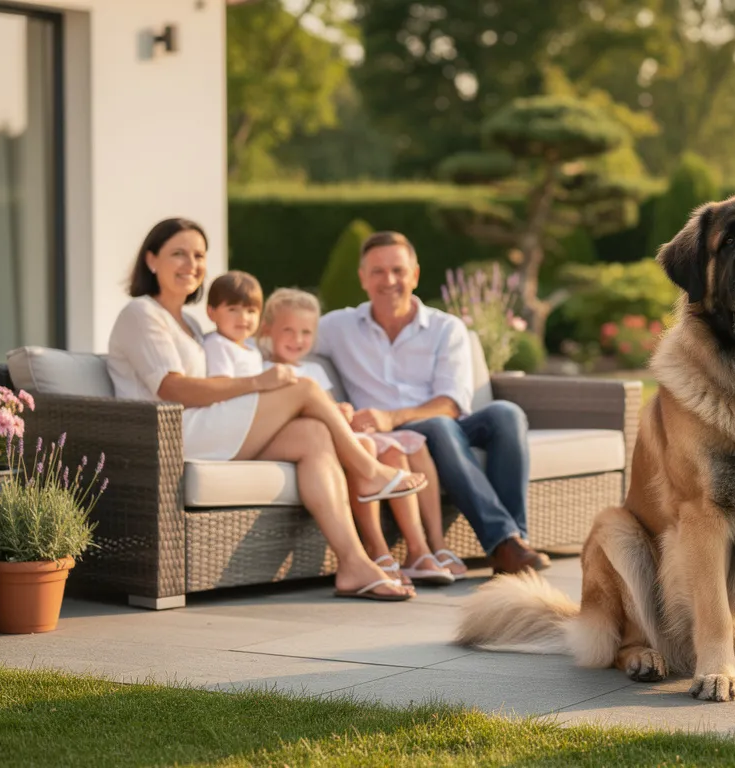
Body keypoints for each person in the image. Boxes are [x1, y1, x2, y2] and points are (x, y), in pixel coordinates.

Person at [105, 217, 427, 601]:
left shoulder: (190, 324)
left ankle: (354, 564)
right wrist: (259, 383)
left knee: (314, 436)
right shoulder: (141, 313)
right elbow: (172, 388)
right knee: (303, 386)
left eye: (199, 255)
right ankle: (369, 469)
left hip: (203, 427)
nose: (191, 264)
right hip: (168, 435)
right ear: (152, 260)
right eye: (179, 254)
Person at [315, 231, 550, 575]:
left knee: (506, 414)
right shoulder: (337, 327)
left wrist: (391, 416)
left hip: (441, 424)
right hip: (394, 438)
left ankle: (514, 540)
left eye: (398, 270)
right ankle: (506, 546)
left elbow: (452, 405)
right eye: (377, 271)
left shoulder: (445, 328)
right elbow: (283, 340)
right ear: (362, 278)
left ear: (415, 275)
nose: (389, 280)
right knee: (439, 427)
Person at [256, 287, 465, 584]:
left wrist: (342, 411)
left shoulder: (314, 368)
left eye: (305, 332)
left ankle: (419, 550)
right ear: (267, 329)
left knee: (398, 449)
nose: (298, 339)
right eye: (288, 330)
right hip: (316, 440)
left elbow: (328, 408)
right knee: (367, 446)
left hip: (342, 434)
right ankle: (377, 551)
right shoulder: (265, 368)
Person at [202, 271, 265, 378]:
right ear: (211, 312)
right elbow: (222, 387)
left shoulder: (253, 349)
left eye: (251, 311)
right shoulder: (217, 344)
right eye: (233, 309)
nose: (243, 318)